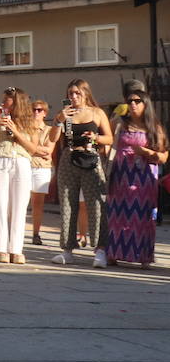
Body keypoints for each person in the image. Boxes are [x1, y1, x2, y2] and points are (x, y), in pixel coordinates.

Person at [48, 78, 113, 266]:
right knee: (68, 204)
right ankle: (67, 249)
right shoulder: (65, 115)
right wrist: (58, 119)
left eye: (78, 93)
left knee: (96, 205)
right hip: (69, 158)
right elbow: (53, 138)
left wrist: (95, 137)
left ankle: (100, 250)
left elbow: (109, 138)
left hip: (91, 158)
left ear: (86, 93)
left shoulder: (97, 113)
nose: (74, 96)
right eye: (71, 93)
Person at [0, 86, 48, 264]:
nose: (3, 103)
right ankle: (1, 248)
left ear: (16, 102)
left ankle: (16, 249)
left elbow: (33, 149)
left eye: (6, 100)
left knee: (19, 207)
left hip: (21, 162)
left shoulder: (31, 122)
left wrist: (16, 132)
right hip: (0, 160)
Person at [103, 80, 164, 268]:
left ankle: (143, 256)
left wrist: (146, 153)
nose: (133, 104)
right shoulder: (119, 123)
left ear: (146, 104)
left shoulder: (154, 127)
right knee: (117, 215)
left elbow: (163, 156)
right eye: (130, 101)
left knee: (143, 217)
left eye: (137, 101)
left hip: (144, 179)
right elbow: (106, 138)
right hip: (120, 175)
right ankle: (114, 253)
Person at [28, 99, 54, 246]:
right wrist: (39, 149)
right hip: (26, 165)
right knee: (22, 201)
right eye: (34, 109)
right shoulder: (26, 129)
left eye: (39, 110)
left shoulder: (49, 130)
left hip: (42, 168)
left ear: (45, 113)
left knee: (38, 203)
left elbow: (49, 151)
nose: (36, 112)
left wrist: (32, 148)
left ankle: (36, 233)